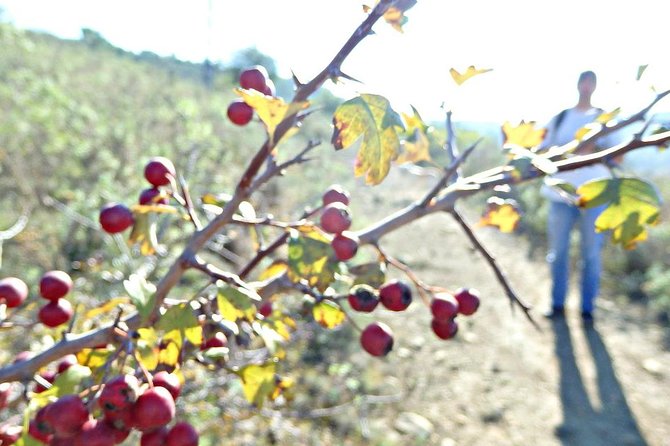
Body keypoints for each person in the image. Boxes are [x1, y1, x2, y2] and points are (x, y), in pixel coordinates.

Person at [540, 70, 618, 323]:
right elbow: (542, 152)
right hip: (561, 196)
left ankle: (587, 310)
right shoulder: (561, 118)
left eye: (590, 83)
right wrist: (565, 151)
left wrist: (593, 148)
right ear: (577, 85)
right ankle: (557, 305)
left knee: (591, 254)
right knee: (558, 252)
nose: (586, 87)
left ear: (594, 86)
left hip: (595, 198)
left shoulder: (605, 119)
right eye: (582, 82)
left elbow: (619, 156)